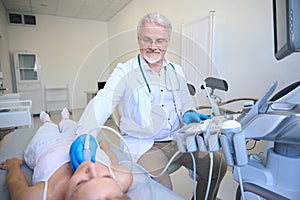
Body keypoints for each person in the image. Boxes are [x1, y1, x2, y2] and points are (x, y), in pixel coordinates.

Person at [73, 13, 227, 200]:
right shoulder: (125, 70)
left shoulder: (175, 70)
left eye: (160, 41)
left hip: (178, 139)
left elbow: (186, 100)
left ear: (168, 41)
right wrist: (86, 132)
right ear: (138, 39)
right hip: (146, 146)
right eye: (147, 40)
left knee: (216, 165)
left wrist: (189, 114)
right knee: (164, 189)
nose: (153, 46)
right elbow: (104, 99)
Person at [0, 109, 132, 200]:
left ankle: (47, 120)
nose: (90, 166)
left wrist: (14, 166)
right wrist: (106, 148)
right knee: (72, 126)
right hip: (77, 139)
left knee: (47, 128)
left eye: (82, 182)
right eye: (106, 176)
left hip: (46, 144)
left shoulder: (46, 193)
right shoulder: (123, 179)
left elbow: (17, 187)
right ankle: (65, 118)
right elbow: (113, 163)